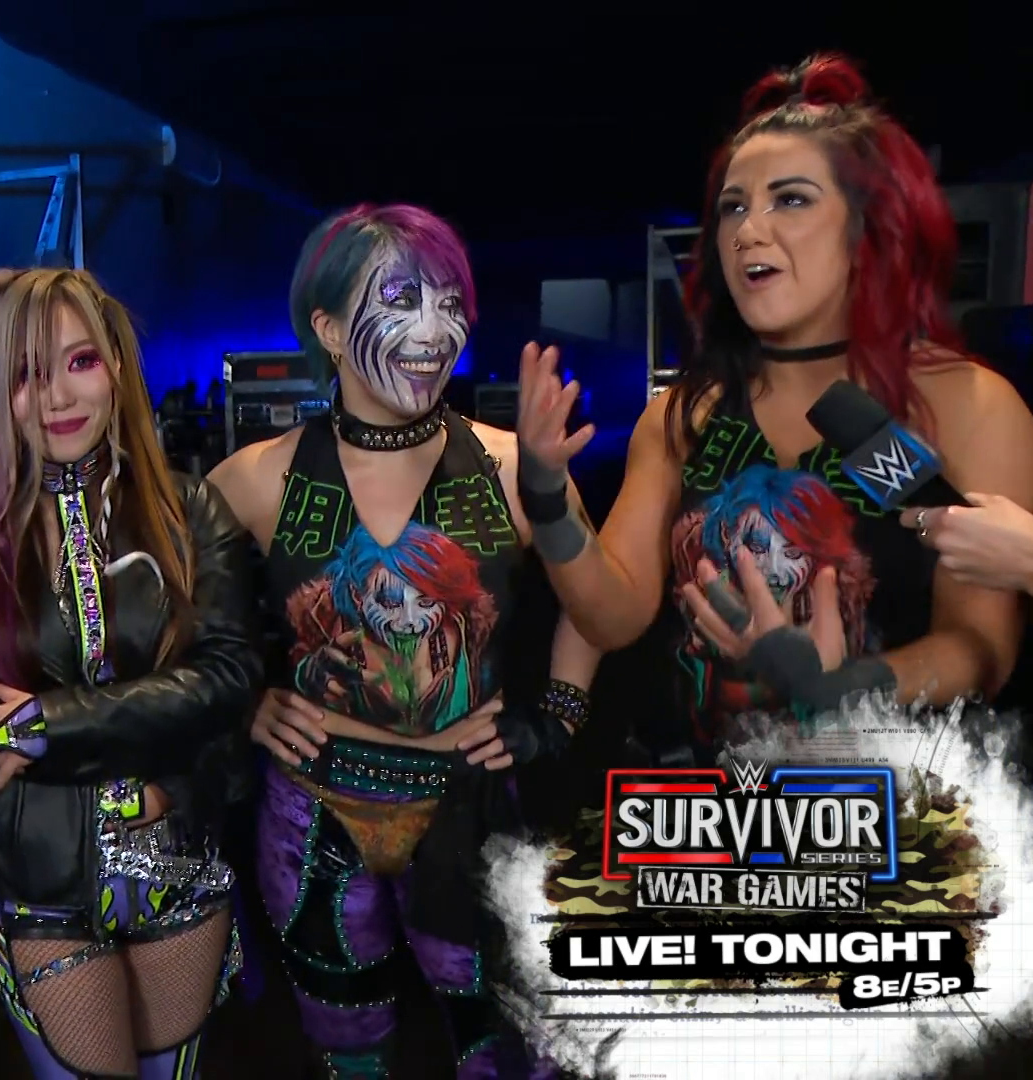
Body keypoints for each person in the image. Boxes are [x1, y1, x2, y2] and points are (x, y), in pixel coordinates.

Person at [512, 53, 1033, 761]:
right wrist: (548, 497)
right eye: (734, 206)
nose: (748, 230)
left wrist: (847, 686)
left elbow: (982, 647)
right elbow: (612, 617)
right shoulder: (683, 415)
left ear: (868, 228)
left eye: (790, 199)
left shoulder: (967, 405)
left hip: (888, 802)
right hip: (703, 805)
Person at [209, 202, 587, 1079]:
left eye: (450, 303)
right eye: (401, 299)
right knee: (347, 1047)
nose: (434, 330)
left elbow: (596, 600)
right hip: (314, 815)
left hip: (471, 805)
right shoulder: (257, 478)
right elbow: (177, 622)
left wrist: (560, 711)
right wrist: (248, 700)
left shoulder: (509, 466)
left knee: (506, 1046)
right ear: (329, 329)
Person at [0, 267, 260, 1080]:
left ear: (116, 367)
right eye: (27, 374)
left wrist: (49, 723)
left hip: (179, 852)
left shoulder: (191, 510)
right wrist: (159, 714)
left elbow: (228, 678)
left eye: (81, 362)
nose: (59, 396)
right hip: (38, 877)